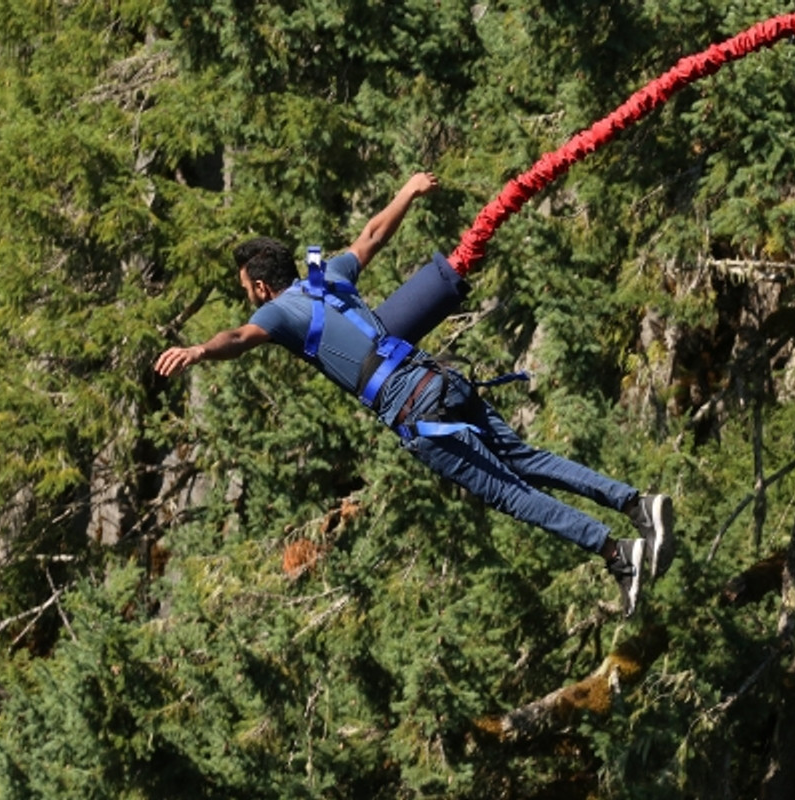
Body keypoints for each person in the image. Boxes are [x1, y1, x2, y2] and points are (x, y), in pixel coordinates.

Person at [154, 172, 675, 615]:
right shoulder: (327, 276)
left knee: (509, 493)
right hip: (440, 379)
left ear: (262, 288)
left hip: (412, 408)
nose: (249, 300)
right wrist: (406, 192)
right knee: (526, 458)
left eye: (247, 291)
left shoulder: (276, 312)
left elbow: (240, 338)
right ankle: (635, 504)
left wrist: (201, 350)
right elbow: (372, 236)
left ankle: (616, 553)